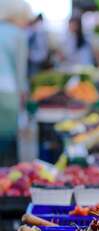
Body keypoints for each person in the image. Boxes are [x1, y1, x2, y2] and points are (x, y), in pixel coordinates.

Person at [0, 0, 32, 165]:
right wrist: (24, 99)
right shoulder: (18, 34)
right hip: (7, 92)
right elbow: (20, 72)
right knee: (7, 142)